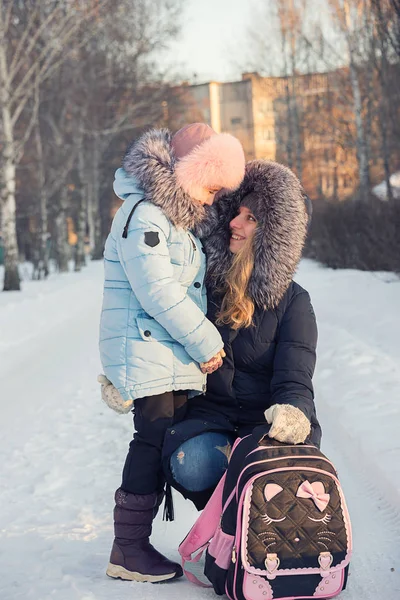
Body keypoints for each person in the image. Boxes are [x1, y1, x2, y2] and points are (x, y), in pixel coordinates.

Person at [98, 123, 245, 583]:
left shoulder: (171, 218)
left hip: (164, 350)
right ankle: (128, 550)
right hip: (147, 348)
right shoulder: (146, 217)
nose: (212, 198)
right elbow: (158, 292)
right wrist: (206, 341)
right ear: (188, 173)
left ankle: (197, 539)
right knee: (151, 440)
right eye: (212, 186)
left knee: (165, 439)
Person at [162, 158, 321, 510]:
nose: (234, 223)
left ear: (275, 235)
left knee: (261, 471)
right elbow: (163, 331)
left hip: (264, 426)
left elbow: (295, 378)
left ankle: (252, 537)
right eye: (237, 213)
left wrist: (294, 413)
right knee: (198, 463)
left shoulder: (294, 302)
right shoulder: (203, 285)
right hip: (209, 419)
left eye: (251, 219)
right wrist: (131, 381)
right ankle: (225, 533)